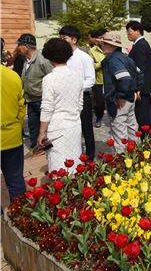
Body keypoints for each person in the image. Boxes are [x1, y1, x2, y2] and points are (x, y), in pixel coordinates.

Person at [38, 38, 83, 174]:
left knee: (59, 166)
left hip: (56, 127)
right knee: (74, 163)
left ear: (49, 57)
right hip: (74, 124)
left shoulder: (49, 79)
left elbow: (47, 107)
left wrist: (41, 132)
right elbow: (80, 103)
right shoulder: (77, 75)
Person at [99, 33, 142, 153]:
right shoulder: (126, 58)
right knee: (132, 129)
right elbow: (139, 73)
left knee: (120, 133)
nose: (102, 45)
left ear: (112, 46)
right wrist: (136, 90)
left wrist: (120, 95)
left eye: (104, 43)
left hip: (119, 101)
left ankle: (123, 162)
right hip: (130, 99)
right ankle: (137, 156)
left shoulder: (113, 60)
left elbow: (125, 78)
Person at [60, 25, 96, 160]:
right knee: (70, 128)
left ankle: (89, 157)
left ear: (74, 40)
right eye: (60, 37)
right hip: (66, 99)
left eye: (64, 37)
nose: (61, 40)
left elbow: (90, 80)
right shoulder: (62, 57)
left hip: (82, 97)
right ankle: (72, 155)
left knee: (86, 128)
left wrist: (75, 88)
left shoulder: (84, 57)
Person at [17, 33, 53, 148]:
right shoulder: (26, 59)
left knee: (46, 125)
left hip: (41, 99)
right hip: (30, 99)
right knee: (33, 125)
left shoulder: (43, 60)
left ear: (26, 46)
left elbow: (52, 77)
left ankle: (46, 147)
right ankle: (36, 147)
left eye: (19, 45)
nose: (18, 48)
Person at [1, 64, 27, 202]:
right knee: (15, 179)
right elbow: (21, 105)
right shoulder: (13, 75)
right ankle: (20, 216)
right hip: (12, 137)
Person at [127, 21, 151, 129]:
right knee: (145, 114)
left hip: (141, 88)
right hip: (143, 87)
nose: (128, 34)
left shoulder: (140, 45)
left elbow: (139, 68)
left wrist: (138, 88)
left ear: (138, 31)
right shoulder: (139, 44)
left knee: (143, 116)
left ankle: (146, 139)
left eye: (130, 32)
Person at [88, 29, 106, 128]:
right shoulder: (92, 51)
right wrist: (101, 63)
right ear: (97, 39)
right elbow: (91, 66)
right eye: (101, 38)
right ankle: (99, 117)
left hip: (111, 80)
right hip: (99, 81)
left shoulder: (111, 48)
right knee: (99, 102)